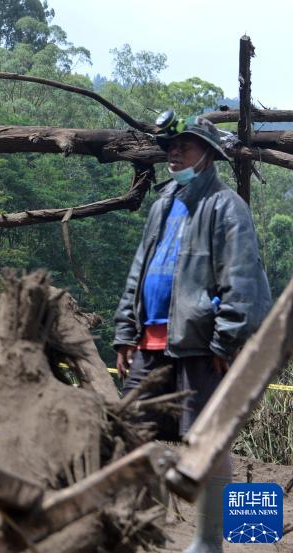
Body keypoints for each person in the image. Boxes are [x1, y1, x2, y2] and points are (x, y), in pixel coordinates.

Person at [113, 113, 271, 553]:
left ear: (207, 154)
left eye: (183, 145)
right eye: (170, 147)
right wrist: (126, 331)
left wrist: (226, 341)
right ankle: (140, 535)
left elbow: (242, 281)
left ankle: (206, 543)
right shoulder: (164, 203)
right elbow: (138, 271)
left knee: (206, 440)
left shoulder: (226, 206)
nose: (174, 153)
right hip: (151, 344)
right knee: (131, 434)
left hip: (201, 347)